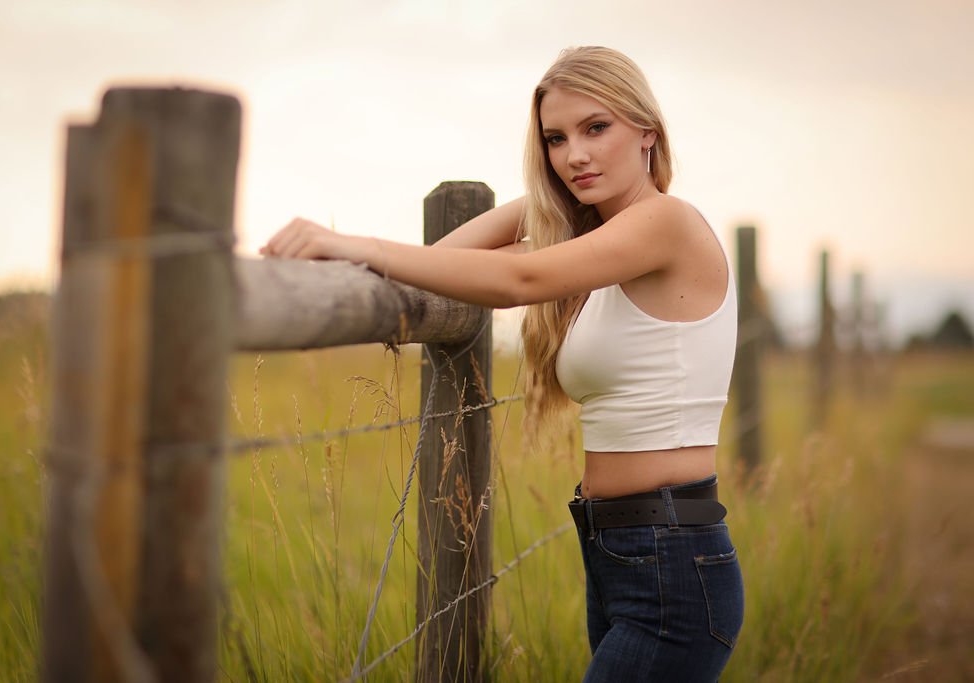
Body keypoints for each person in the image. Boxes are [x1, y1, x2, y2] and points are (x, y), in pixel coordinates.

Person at [261, 45, 744, 682]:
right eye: (555, 138)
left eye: (597, 128)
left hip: (672, 563)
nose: (575, 154)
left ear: (647, 132)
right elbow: (450, 258)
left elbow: (517, 278)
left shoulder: (666, 225)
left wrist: (349, 242)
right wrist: (545, 198)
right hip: (620, 553)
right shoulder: (601, 239)